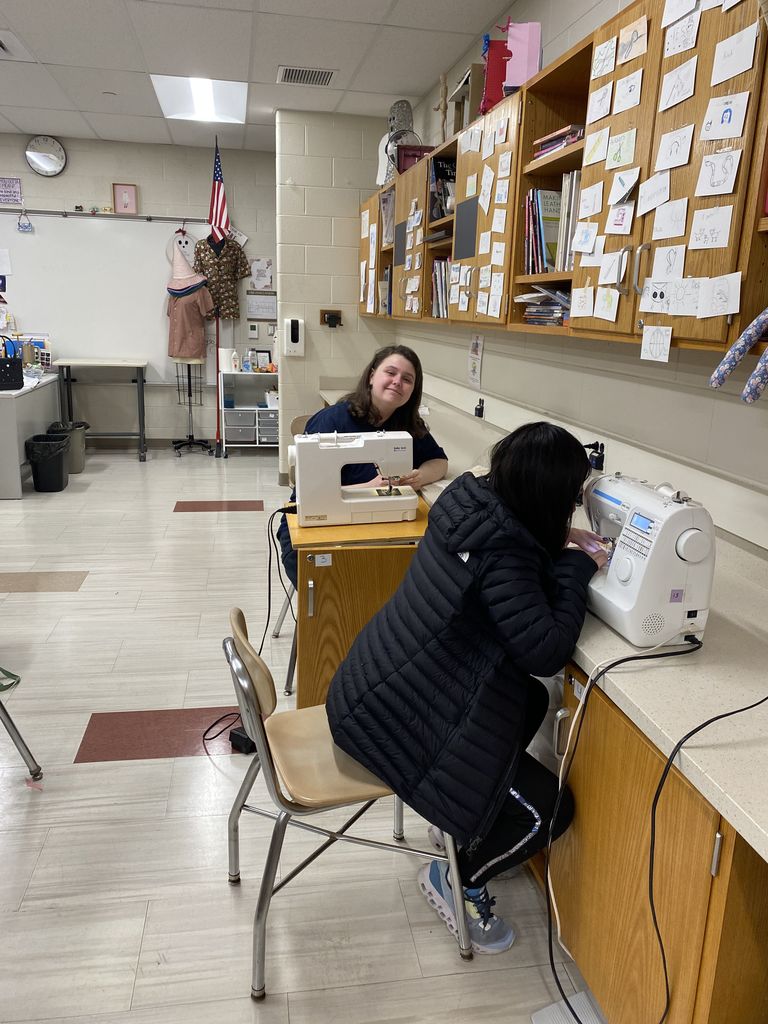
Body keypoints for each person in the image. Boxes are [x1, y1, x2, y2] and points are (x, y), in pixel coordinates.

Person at [325, 422, 609, 954]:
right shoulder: (506, 552)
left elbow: (507, 584)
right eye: (571, 499)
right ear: (548, 497)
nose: (572, 508)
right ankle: (456, 878)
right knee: (548, 811)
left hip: (371, 689)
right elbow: (545, 649)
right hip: (392, 725)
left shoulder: (468, 502)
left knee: (528, 699)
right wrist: (575, 564)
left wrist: (556, 544)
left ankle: (463, 823)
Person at [277, 345, 448, 587]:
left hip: (377, 525)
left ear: (413, 390)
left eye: (407, 379)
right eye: (391, 372)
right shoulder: (332, 420)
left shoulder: (409, 425)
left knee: (403, 577)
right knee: (340, 589)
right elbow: (307, 495)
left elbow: (440, 462)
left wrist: (419, 476)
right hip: (317, 525)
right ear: (371, 376)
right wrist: (368, 487)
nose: (397, 382)